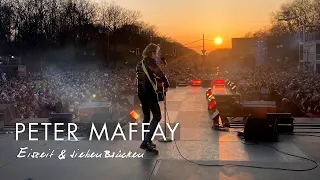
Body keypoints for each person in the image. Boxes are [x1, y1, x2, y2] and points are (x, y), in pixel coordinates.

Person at [136, 43, 169, 154]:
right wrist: (166, 85)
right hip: (149, 94)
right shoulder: (150, 62)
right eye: (156, 52)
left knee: (146, 117)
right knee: (157, 116)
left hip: (141, 94)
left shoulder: (140, 64)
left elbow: (144, 78)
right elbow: (160, 74)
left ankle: (147, 140)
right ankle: (145, 142)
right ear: (152, 52)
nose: (157, 55)